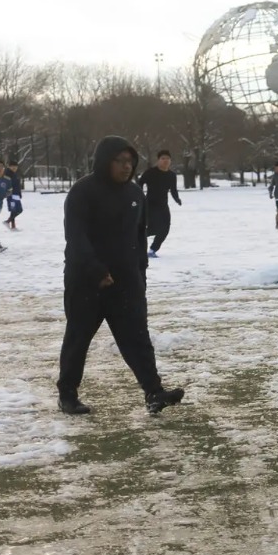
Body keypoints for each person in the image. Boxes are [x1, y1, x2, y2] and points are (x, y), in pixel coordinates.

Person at [58, 136, 184, 416]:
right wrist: (96, 271)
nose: (126, 167)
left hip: (126, 282)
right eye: (120, 161)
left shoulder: (135, 194)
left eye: (130, 161)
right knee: (78, 339)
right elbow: (76, 239)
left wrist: (141, 274)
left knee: (137, 338)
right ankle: (67, 394)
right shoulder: (82, 192)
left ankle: (154, 392)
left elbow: (138, 239)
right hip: (87, 282)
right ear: (104, 161)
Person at [138, 149, 182, 257]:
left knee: (165, 229)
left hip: (163, 205)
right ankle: (135, 240)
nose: (165, 161)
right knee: (153, 228)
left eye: (167, 159)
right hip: (150, 204)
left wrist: (177, 199)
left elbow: (173, 190)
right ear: (158, 160)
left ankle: (152, 250)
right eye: (163, 158)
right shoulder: (150, 172)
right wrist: (140, 197)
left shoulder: (171, 175)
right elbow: (140, 183)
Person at [3, 160, 23, 229]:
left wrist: (19, 193)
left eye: (15, 167)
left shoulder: (14, 174)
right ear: (9, 167)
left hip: (16, 195)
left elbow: (17, 185)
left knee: (15, 210)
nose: (14, 168)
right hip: (11, 195)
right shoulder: (7, 174)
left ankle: (12, 225)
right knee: (17, 210)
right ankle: (8, 222)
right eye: (12, 167)